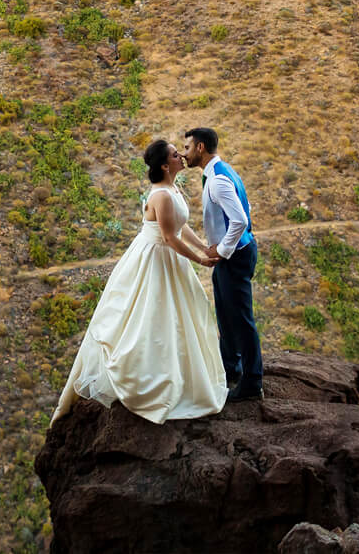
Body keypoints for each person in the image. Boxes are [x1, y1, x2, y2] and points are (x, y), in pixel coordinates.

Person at [51, 139, 229, 424]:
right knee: (153, 318)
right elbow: (170, 237)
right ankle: (150, 381)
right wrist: (199, 260)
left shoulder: (173, 188)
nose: (181, 156)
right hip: (156, 257)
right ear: (163, 165)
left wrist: (204, 247)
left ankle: (178, 375)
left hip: (170, 256)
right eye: (174, 154)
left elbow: (182, 227)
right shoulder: (160, 195)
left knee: (178, 318)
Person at [185, 126, 263, 402]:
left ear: (200, 148)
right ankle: (230, 367)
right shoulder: (223, 171)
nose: (185, 154)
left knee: (241, 319)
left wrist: (223, 248)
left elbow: (240, 218)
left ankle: (252, 383)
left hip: (235, 256)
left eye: (187, 148)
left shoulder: (217, 180)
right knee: (227, 315)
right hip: (233, 254)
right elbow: (247, 207)